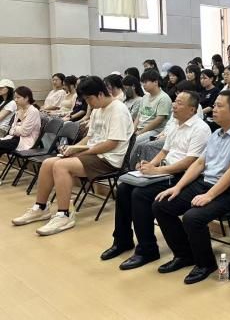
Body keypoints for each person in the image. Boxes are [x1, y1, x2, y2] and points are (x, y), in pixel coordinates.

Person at [152, 90, 230, 285]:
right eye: (214, 105)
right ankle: (184, 255)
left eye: (219, 106)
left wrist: (209, 195)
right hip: (206, 183)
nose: (213, 109)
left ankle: (205, 264)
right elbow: (199, 163)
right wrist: (177, 187)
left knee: (193, 217)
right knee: (162, 205)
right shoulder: (217, 133)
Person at [100, 91, 211, 270]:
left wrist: (157, 170)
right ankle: (122, 240)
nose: (174, 105)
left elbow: (190, 162)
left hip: (183, 176)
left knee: (140, 194)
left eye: (179, 103)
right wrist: (149, 165)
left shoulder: (201, 129)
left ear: (192, 109)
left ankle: (147, 250)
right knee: (124, 188)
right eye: (174, 101)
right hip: (165, 171)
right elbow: (165, 151)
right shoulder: (175, 124)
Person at [12, 77, 133, 235]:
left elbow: (112, 144)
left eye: (89, 99)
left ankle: (64, 214)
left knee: (61, 166)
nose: (88, 103)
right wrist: (73, 148)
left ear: (100, 94)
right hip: (93, 153)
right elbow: (89, 137)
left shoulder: (118, 110)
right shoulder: (97, 110)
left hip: (108, 159)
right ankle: (40, 207)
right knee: (48, 163)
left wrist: (81, 151)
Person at [134, 69, 172, 145]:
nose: (143, 85)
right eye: (142, 83)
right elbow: (139, 116)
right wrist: (132, 131)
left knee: (135, 142)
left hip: (155, 130)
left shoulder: (163, 98)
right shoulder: (145, 97)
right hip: (141, 129)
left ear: (155, 82)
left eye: (146, 82)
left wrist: (140, 132)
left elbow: (158, 120)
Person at [0, 86, 40, 155]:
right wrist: (18, 128)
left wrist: (16, 128)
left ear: (26, 98)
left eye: (18, 97)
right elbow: (11, 131)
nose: (15, 100)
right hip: (13, 138)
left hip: (25, 141)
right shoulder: (19, 111)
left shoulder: (33, 111)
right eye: (15, 97)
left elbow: (25, 132)